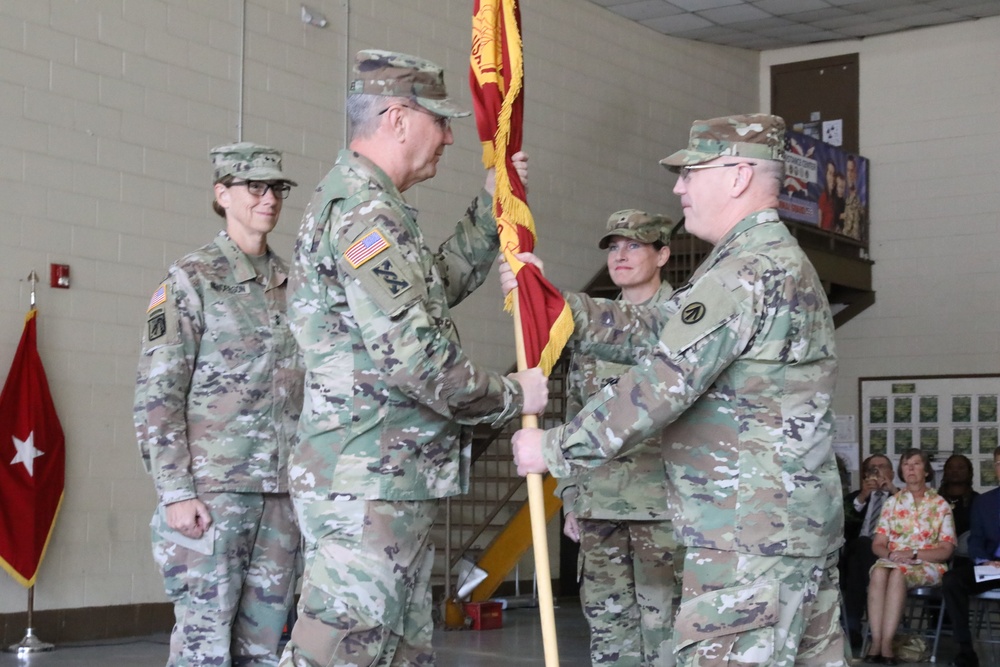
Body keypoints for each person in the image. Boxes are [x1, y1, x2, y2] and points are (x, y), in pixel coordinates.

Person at [507, 114, 845, 666]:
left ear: (737, 176)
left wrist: (551, 448)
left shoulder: (743, 271)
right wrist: (556, 307)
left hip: (748, 540)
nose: (678, 187)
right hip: (788, 528)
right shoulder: (775, 261)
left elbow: (661, 381)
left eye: (692, 172)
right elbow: (658, 333)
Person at [278, 50, 549, 667]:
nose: (451, 135)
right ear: (398, 119)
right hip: (367, 481)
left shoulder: (375, 206)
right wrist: (513, 396)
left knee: (396, 656)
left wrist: (491, 205)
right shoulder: (362, 213)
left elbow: (431, 285)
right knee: (340, 655)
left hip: (386, 477)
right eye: (440, 120)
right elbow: (419, 359)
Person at [134, 142, 303, 666]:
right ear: (222, 193)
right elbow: (158, 393)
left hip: (280, 497)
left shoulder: (295, 284)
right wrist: (176, 492)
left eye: (276, 187)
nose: (268, 197)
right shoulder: (191, 279)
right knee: (204, 648)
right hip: (213, 496)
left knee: (265, 649)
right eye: (254, 186)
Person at [557, 209, 680, 666]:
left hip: (661, 506)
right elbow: (573, 416)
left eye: (634, 245)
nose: (620, 255)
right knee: (609, 633)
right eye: (613, 247)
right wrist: (570, 496)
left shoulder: (682, 322)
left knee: (665, 631)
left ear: (663, 254)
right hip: (599, 505)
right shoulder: (590, 328)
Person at [864, 448, 956, 665]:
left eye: (916, 464)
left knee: (897, 574)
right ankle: (876, 642)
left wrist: (913, 554)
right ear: (901, 471)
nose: (911, 468)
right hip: (893, 560)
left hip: (928, 563)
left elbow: (946, 549)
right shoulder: (892, 503)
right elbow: (877, 544)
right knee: (879, 571)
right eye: (906, 464)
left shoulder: (940, 504)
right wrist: (893, 555)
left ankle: (887, 644)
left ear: (926, 471)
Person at [942, 446, 1000, 667]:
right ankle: (965, 651)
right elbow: (976, 539)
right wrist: (984, 560)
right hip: (992, 566)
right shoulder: (984, 502)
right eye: (999, 463)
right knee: (952, 580)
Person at [842, 454, 899, 653]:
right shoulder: (855, 498)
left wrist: (892, 490)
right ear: (865, 475)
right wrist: (862, 497)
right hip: (858, 554)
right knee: (860, 548)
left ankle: (852, 626)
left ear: (891, 473)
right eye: (871, 468)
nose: (877, 471)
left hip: (891, 554)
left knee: (862, 551)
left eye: (881, 467)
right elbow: (843, 527)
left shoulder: (900, 497)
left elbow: (910, 519)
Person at [938, 453, 978, 538]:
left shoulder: (978, 501)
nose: (955, 470)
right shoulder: (935, 500)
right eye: (950, 467)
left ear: (969, 472)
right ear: (945, 471)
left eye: (961, 467)